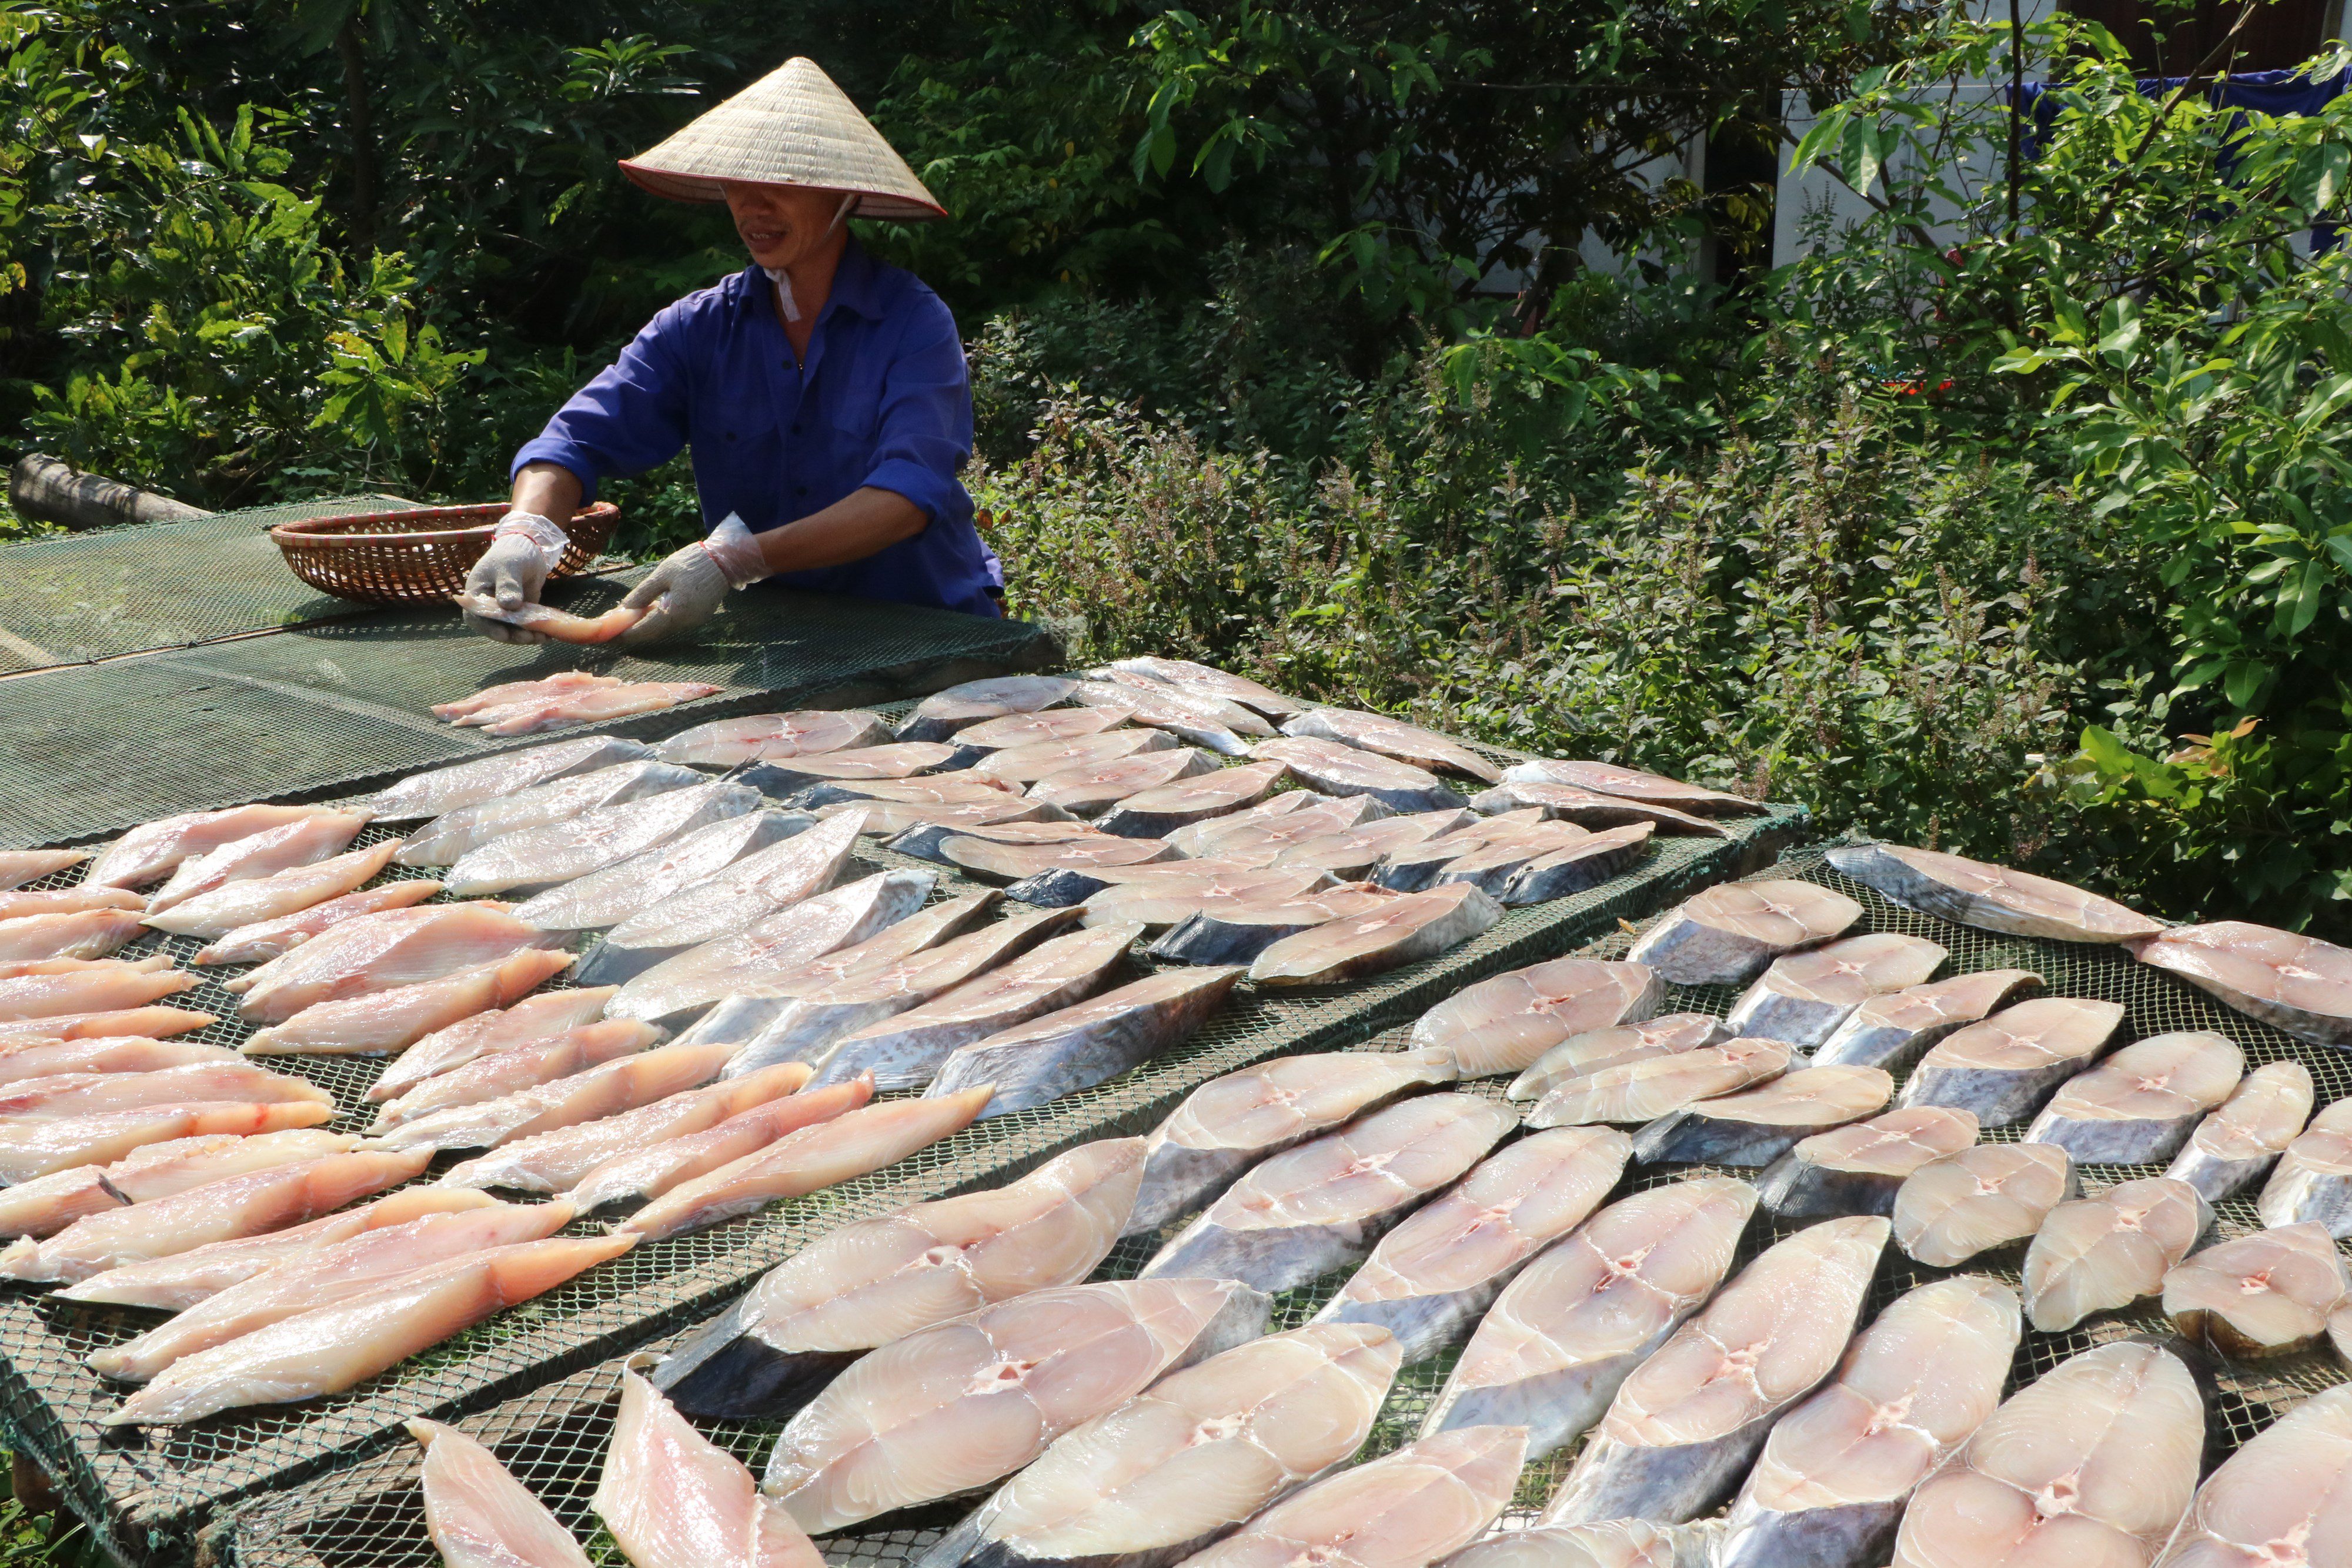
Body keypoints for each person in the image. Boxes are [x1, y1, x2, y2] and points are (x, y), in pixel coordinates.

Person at [465, 57, 1002, 647]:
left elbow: (906, 496)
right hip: (777, 633)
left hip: (928, 623)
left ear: (843, 196)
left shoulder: (912, 322)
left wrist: (733, 559)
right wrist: (525, 532)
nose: (752, 207)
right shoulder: (698, 327)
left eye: (781, 184)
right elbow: (574, 441)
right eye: (736, 184)